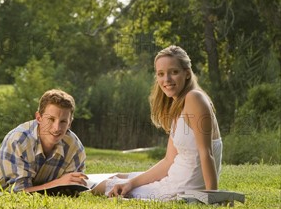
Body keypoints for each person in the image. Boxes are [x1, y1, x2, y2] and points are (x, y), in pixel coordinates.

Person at [95, 45, 222, 200]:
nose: (166, 79)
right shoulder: (179, 107)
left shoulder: (194, 98)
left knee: (106, 185)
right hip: (173, 179)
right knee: (120, 177)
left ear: (187, 73)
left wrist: (214, 198)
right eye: (160, 74)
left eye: (174, 72)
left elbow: (206, 153)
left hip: (180, 189)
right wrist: (131, 183)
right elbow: (168, 161)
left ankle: (75, 193)